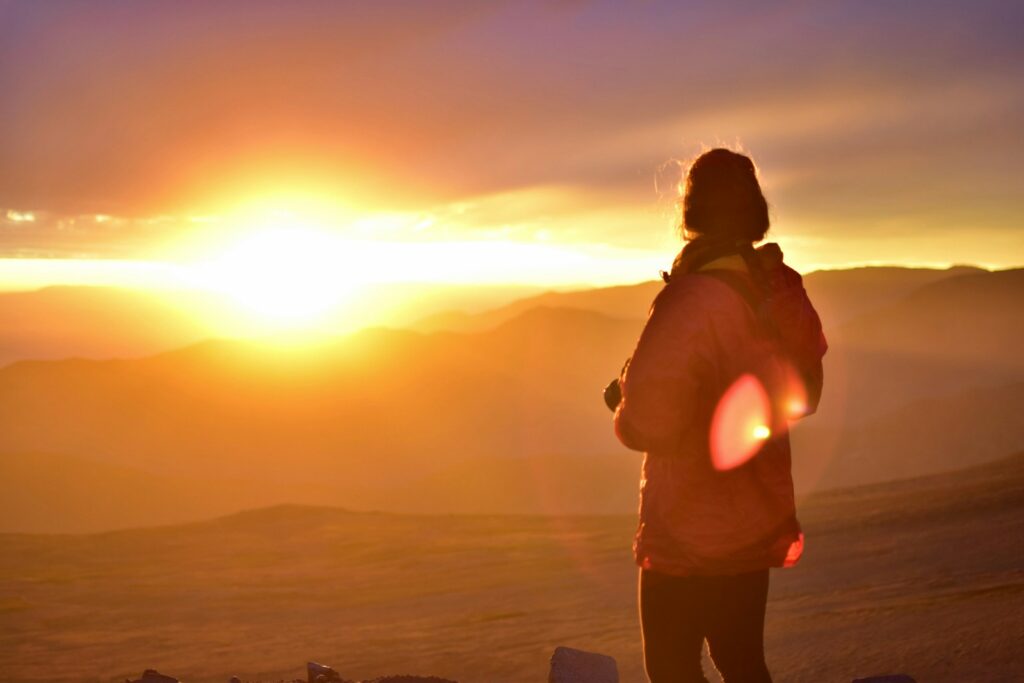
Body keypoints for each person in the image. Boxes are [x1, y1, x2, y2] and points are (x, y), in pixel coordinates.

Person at [609, 148, 827, 683]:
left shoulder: (689, 299)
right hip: (755, 515)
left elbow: (649, 424)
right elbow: (807, 395)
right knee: (743, 662)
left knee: (671, 667)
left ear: (693, 210)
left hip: (687, 527)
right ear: (755, 208)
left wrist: (623, 405)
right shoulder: (781, 288)